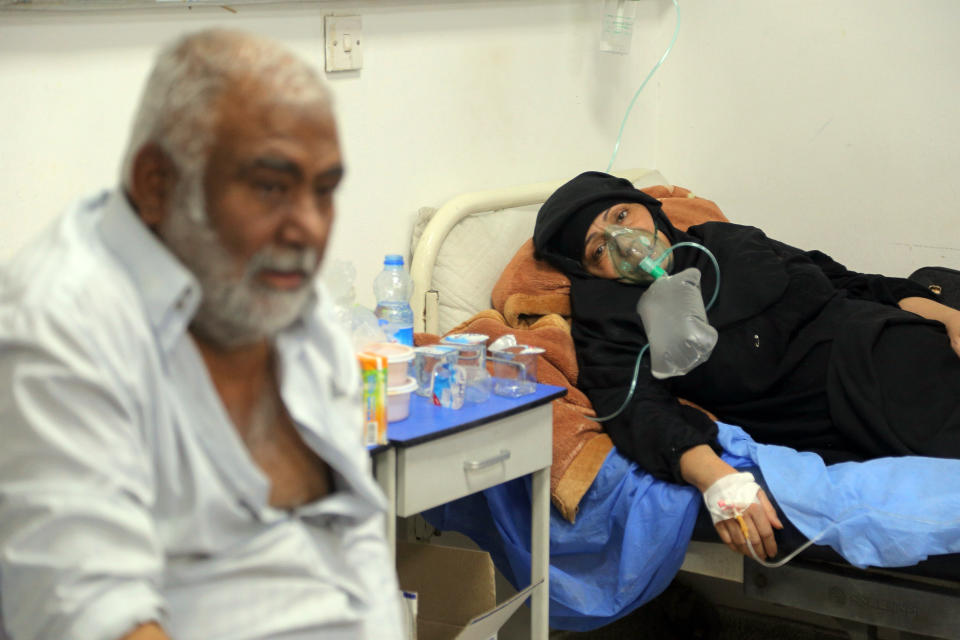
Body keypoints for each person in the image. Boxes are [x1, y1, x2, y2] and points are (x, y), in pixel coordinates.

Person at [0, 30, 403, 640]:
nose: (310, 228)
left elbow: (357, 544)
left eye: (324, 191)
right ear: (158, 184)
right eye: (272, 186)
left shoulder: (298, 313)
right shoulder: (60, 327)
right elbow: (94, 618)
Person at [532, 170, 960, 563]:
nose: (627, 242)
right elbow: (636, 409)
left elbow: (849, 281)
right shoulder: (613, 317)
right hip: (858, 396)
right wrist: (715, 478)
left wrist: (950, 317)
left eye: (623, 214)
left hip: (899, 340)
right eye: (599, 248)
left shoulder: (725, 241)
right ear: (584, 270)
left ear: (651, 208)